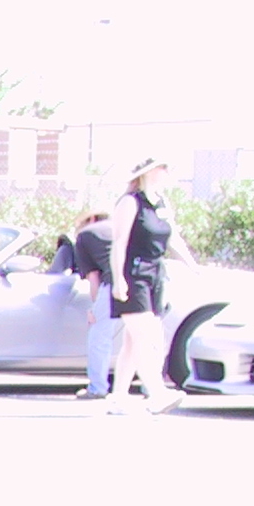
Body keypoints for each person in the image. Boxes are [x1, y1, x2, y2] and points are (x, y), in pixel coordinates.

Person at [104, 157, 196, 415]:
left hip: (155, 273)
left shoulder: (162, 203)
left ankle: (118, 397)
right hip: (133, 273)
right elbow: (119, 243)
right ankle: (156, 393)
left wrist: (192, 265)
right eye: (161, 167)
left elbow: (173, 239)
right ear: (147, 172)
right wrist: (119, 279)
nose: (166, 172)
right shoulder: (130, 202)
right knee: (146, 335)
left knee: (133, 341)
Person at [71, 209, 116, 399]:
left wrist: (94, 307)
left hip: (114, 283)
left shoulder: (86, 235)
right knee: (141, 337)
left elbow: (94, 277)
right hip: (147, 280)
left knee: (99, 336)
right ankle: (151, 389)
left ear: (91, 219)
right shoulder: (123, 227)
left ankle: (98, 387)